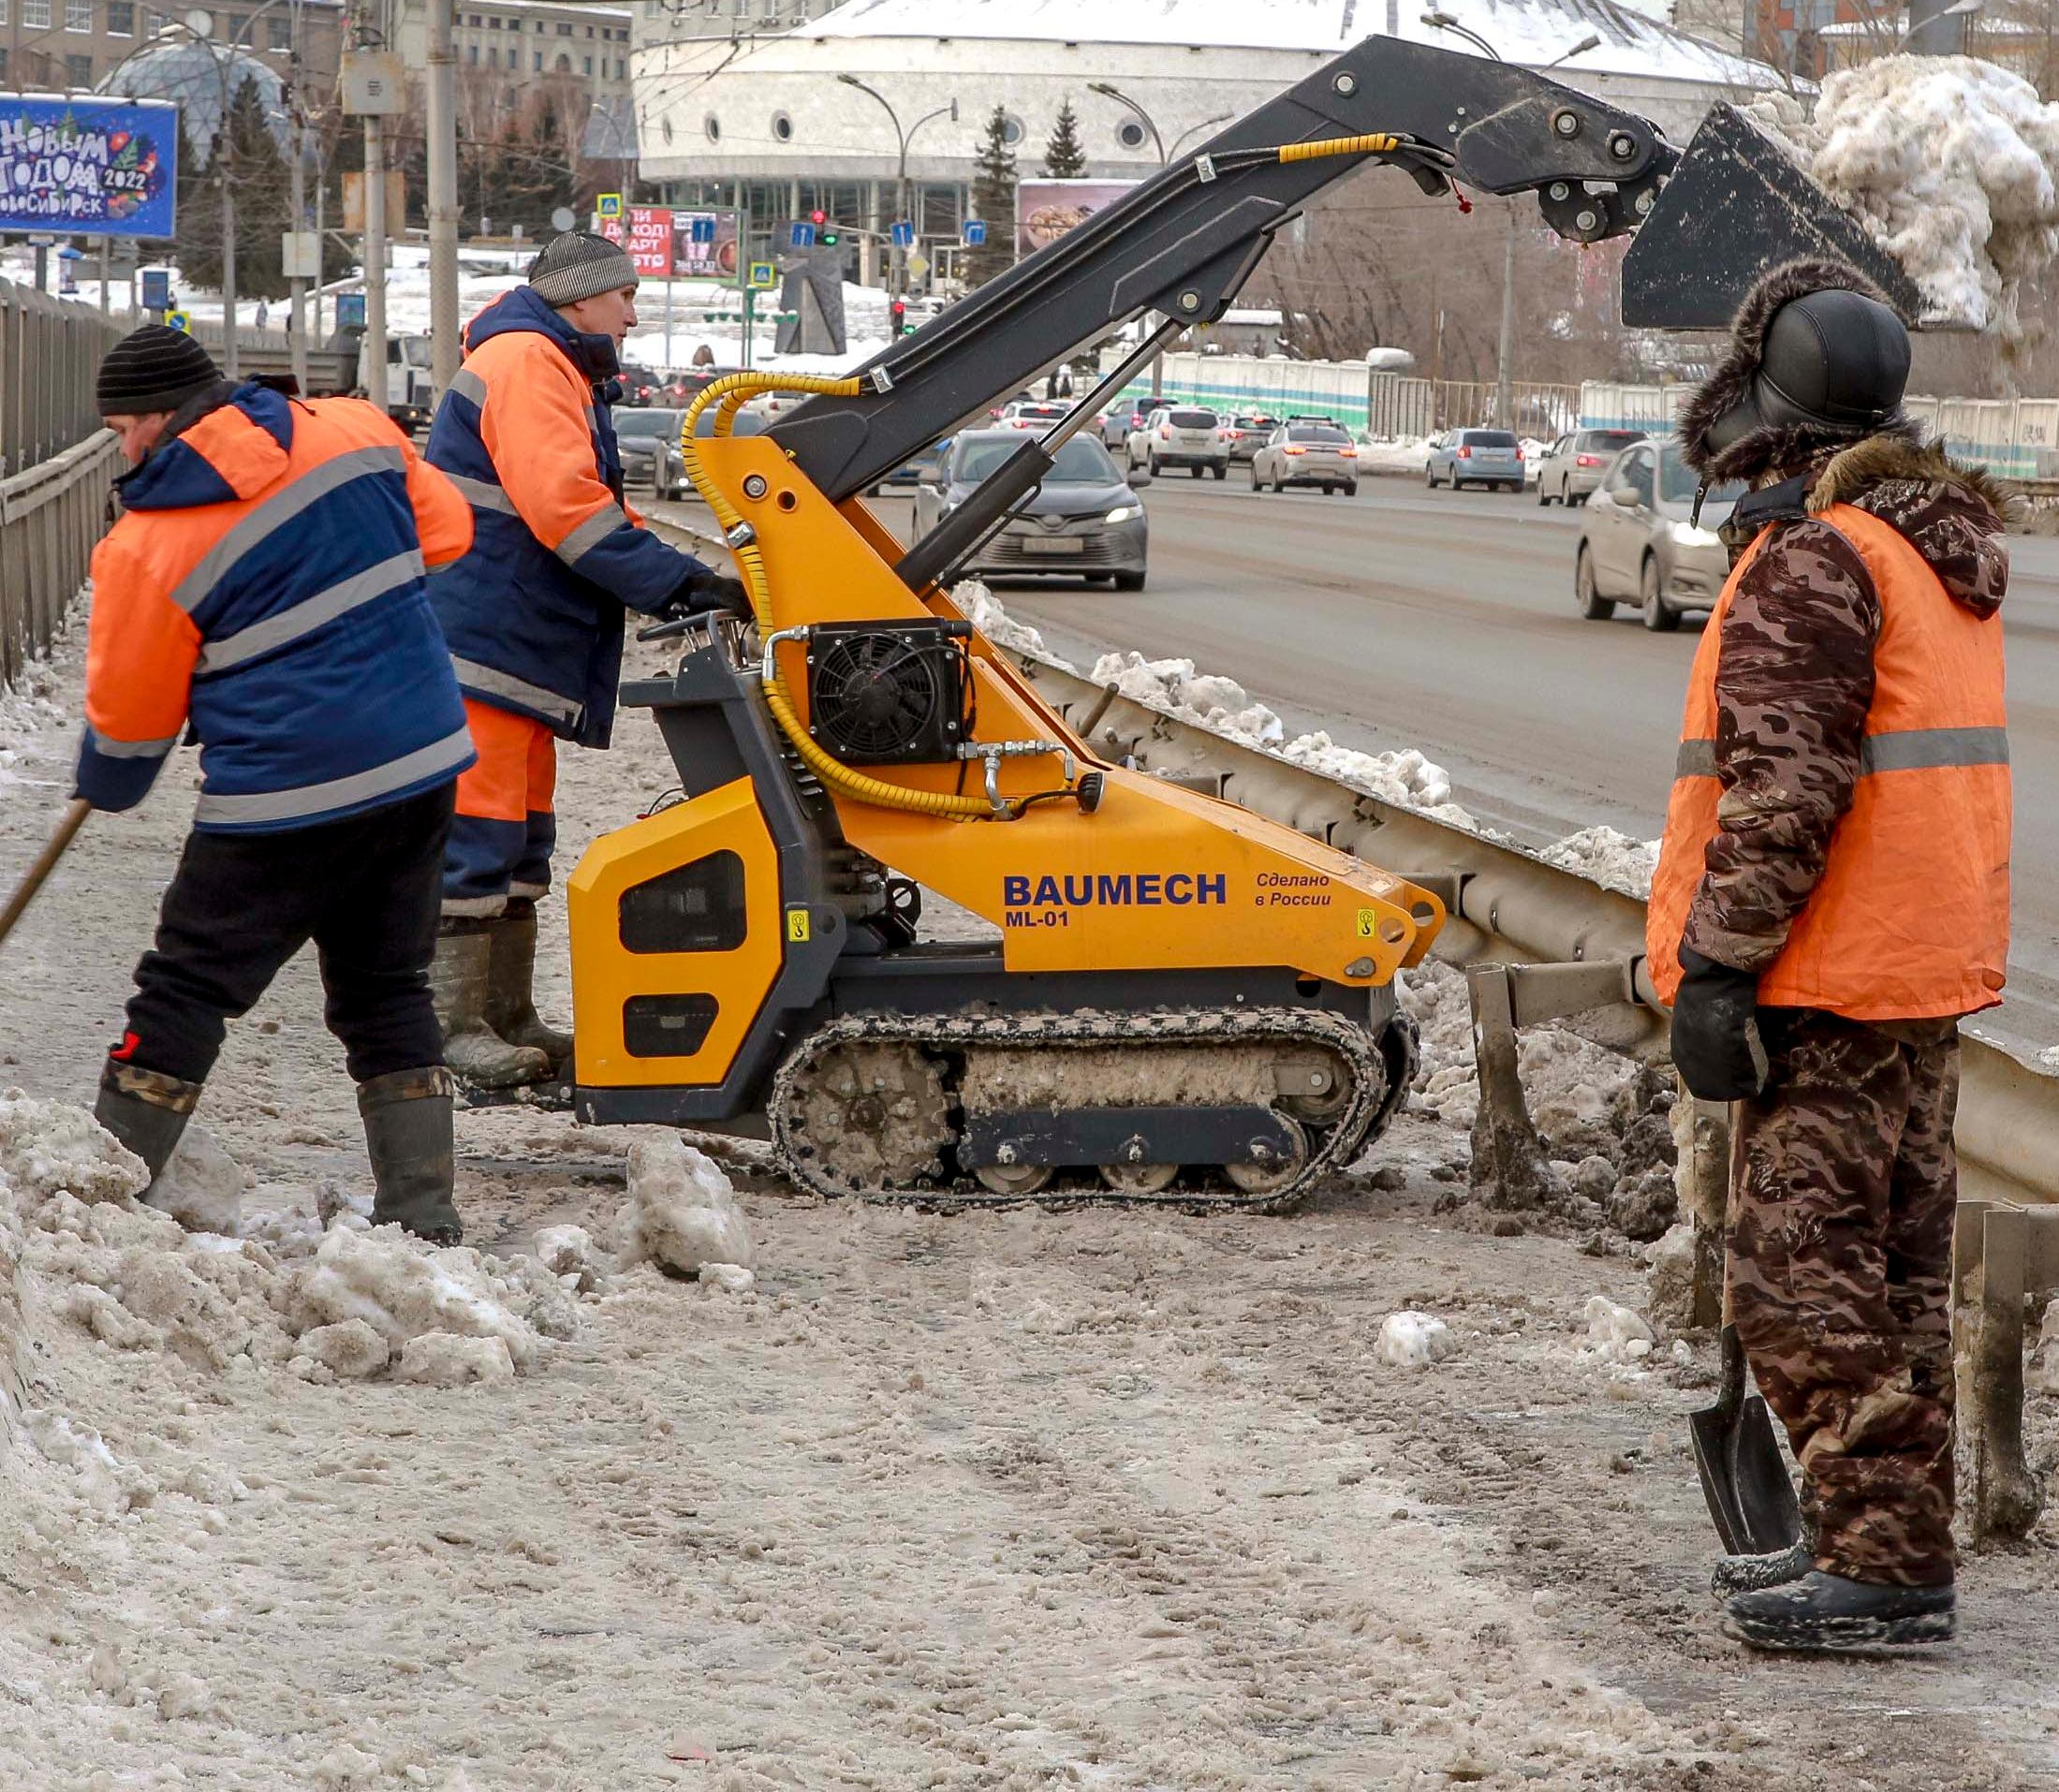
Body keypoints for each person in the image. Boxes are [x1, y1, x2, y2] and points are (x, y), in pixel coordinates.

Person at [1649, 258, 2010, 1652]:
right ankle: (1885, 1539)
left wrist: (1719, 967)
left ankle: (1880, 1566)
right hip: (1916, 970)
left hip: (1825, 973)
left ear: (1761, 401)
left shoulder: (1814, 556)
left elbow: (1781, 790)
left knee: (1796, 1276)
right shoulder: (1927, 547)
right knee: (1891, 1270)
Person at [79, 325, 478, 1241]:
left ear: (165, 419)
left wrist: (109, 772)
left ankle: (99, 1201)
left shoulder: (146, 546)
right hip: (419, 765)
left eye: (123, 428)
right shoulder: (358, 431)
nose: (123, 448)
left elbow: (131, 733)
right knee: (387, 990)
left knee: (184, 988)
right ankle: (425, 1217)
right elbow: (446, 534)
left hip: (281, 799)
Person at [424, 231, 743, 1089]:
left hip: (512, 639)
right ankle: (449, 1030)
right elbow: (567, 510)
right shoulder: (530, 360)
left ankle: (507, 1017)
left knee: (523, 834)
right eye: (625, 296)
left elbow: (592, 505)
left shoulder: (557, 363)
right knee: (477, 834)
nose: (634, 315)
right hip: (486, 637)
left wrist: (687, 578)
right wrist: (676, 587)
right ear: (580, 298)